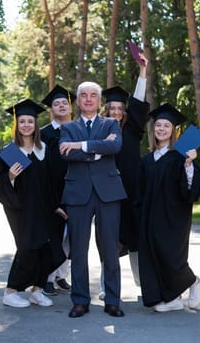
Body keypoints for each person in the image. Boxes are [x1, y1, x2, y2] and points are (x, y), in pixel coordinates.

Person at [59, 81, 127, 318]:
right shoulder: (67, 128)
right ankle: (80, 301)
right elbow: (66, 152)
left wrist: (81, 146)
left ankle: (112, 300)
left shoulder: (111, 123)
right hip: (78, 193)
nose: (88, 99)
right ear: (77, 101)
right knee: (78, 250)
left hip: (108, 192)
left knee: (110, 249)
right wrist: (100, 149)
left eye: (93, 96)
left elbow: (116, 146)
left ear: (99, 101)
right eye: (84, 96)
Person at [0, 99, 66, 308]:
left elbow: (51, 181)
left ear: (35, 124)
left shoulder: (44, 149)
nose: (26, 125)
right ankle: (11, 291)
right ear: (17, 124)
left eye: (30, 121)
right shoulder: (11, 151)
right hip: (21, 209)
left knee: (50, 250)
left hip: (45, 208)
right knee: (28, 248)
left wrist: (58, 204)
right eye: (22, 121)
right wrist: (10, 177)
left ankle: (37, 290)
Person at [135, 103, 200, 312]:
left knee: (170, 256)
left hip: (174, 217)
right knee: (152, 256)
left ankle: (193, 281)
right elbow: (139, 190)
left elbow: (191, 190)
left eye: (166, 126)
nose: (161, 129)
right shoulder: (146, 159)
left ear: (174, 130)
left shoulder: (180, 156)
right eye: (158, 125)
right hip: (149, 217)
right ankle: (171, 299)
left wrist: (190, 165)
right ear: (153, 129)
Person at [96, 55, 150, 300]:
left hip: (132, 194)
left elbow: (138, 102)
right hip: (107, 195)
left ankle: (143, 285)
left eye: (120, 108)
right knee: (107, 241)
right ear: (105, 110)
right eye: (112, 108)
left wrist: (142, 74)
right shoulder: (98, 131)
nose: (116, 112)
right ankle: (107, 287)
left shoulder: (133, 130)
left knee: (136, 240)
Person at [39, 85, 76, 296]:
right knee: (54, 235)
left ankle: (62, 275)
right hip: (52, 192)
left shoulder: (78, 130)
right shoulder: (43, 134)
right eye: (56, 104)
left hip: (76, 191)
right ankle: (48, 277)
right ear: (51, 109)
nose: (61, 106)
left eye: (64, 102)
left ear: (70, 107)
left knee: (72, 238)